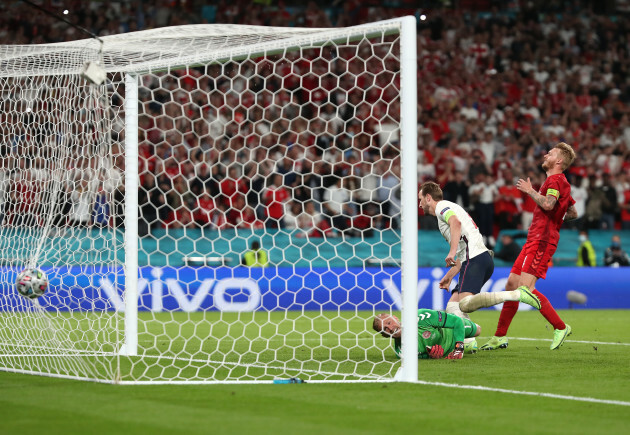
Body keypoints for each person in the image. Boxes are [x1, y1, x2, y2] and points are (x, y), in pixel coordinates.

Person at [418, 182, 540, 353]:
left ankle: (516, 294)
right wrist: (450, 275)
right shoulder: (445, 212)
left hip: (475, 259)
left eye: (421, 199)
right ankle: (468, 341)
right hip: (476, 259)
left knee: (465, 304)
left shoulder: (442, 207)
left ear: (428, 197)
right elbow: (462, 251)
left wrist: (451, 252)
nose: (420, 204)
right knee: (453, 307)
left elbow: (456, 223)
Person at [481, 142, 579, 352]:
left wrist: (530, 191)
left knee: (525, 289)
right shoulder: (561, 182)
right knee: (511, 284)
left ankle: (560, 327)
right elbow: (572, 213)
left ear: (559, 161)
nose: (545, 154)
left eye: (550, 153)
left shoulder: (554, 180)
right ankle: (500, 336)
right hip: (534, 239)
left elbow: (548, 204)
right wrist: (556, 220)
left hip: (542, 240)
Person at [372, 309, 481, 360]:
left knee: (478, 330)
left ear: (395, 318)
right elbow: (423, 357)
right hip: (447, 349)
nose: (390, 328)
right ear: (385, 336)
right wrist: (433, 356)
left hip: (450, 331)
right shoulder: (401, 352)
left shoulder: (421, 316)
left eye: (389, 323)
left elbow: (456, 322)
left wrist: (459, 348)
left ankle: (462, 339)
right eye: (385, 329)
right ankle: (465, 342)